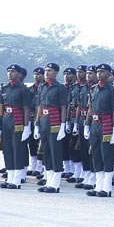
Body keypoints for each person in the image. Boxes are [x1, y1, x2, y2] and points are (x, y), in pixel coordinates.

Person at [86, 63, 114, 197]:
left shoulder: (112, 90)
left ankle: (106, 188)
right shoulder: (94, 88)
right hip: (95, 124)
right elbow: (91, 107)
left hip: (106, 124)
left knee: (106, 155)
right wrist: (87, 125)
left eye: (102, 71)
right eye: (98, 71)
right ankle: (98, 185)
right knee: (96, 155)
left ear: (109, 74)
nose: (99, 74)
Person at [36, 62, 71, 194]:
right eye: (45, 70)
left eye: (50, 71)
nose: (47, 73)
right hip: (44, 121)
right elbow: (40, 106)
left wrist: (62, 125)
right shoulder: (42, 87)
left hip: (55, 122)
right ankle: (49, 181)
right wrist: (37, 124)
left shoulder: (60, 88)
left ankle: (55, 184)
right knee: (46, 152)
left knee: (55, 152)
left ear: (56, 73)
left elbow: (63, 108)